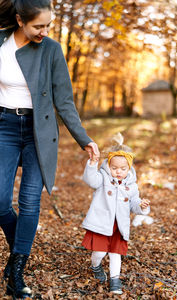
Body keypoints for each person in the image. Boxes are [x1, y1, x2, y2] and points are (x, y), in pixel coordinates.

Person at [0, 0, 99, 299]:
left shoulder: (52, 50)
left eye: (48, 26)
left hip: (38, 131)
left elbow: (64, 100)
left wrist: (85, 139)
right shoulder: (1, 43)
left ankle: (16, 270)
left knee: (30, 202)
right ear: (19, 20)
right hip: (3, 125)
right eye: (38, 26)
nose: (44, 32)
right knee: (0, 202)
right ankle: (21, 244)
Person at [81, 134, 150, 294]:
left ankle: (115, 281)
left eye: (123, 169)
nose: (118, 172)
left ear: (129, 168)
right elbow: (91, 180)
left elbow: (134, 203)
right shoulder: (103, 178)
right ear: (108, 166)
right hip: (102, 223)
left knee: (115, 253)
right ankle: (96, 265)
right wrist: (92, 164)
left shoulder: (131, 186)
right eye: (114, 168)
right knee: (99, 252)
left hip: (119, 226)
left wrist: (141, 205)